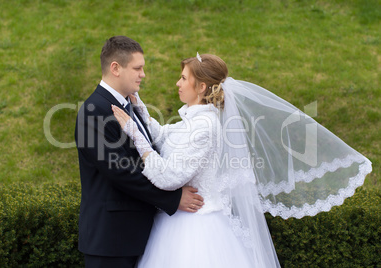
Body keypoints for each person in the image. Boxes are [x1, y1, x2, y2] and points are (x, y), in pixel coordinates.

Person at [112, 53, 372, 267]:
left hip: (196, 229)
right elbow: (166, 137)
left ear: (201, 87)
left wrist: (135, 135)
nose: (177, 84)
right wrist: (140, 110)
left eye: (183, 78)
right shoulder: (194, 119)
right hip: (181, 220)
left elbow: (169, 178)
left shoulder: (204, 127)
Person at [74, 36, 204, 268]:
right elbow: (121, 172)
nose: (143, 74)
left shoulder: (127, 104)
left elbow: (151, 149)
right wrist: (172, 199)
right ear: (115, 68)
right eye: (137, 68)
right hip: (111, 240)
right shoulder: (95, 110)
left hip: (134, 235)